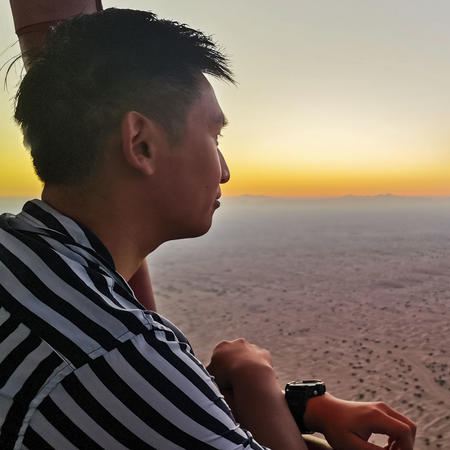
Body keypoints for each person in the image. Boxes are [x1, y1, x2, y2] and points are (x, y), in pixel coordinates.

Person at [0, 8, 415, 450]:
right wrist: (256, 382)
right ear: (141, 143)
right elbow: (134, 385)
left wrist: (293, 406)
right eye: (214, 136)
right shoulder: (110, 353)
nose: (225, 171)